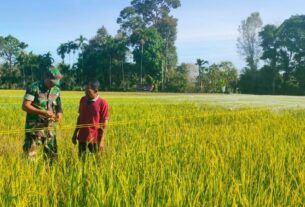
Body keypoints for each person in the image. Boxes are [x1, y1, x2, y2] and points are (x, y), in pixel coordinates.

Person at [22, 67, 63, 160]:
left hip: (49, 127)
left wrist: (59, 114)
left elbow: (59, 105)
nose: (53, 85)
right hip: (34, 127)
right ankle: (29, 173)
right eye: (52, 82)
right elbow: (25, 106)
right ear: (46, 77)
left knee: (52, 155)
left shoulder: (56, 90)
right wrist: (42, 112)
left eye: (55, 83)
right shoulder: (34, 88)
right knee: (30, 155)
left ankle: (50, 172)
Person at [72, 79, 109, 159]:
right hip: (82, 137)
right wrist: (75, 133)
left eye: (88, 91)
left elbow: (104, 124)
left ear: (96, 91)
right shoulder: (83, 100)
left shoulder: (103, 103)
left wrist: (101, 141)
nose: (85, 93)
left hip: (95, 139)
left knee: (98, 162)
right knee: (81, 160)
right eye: (85, 90)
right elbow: (80, 117)